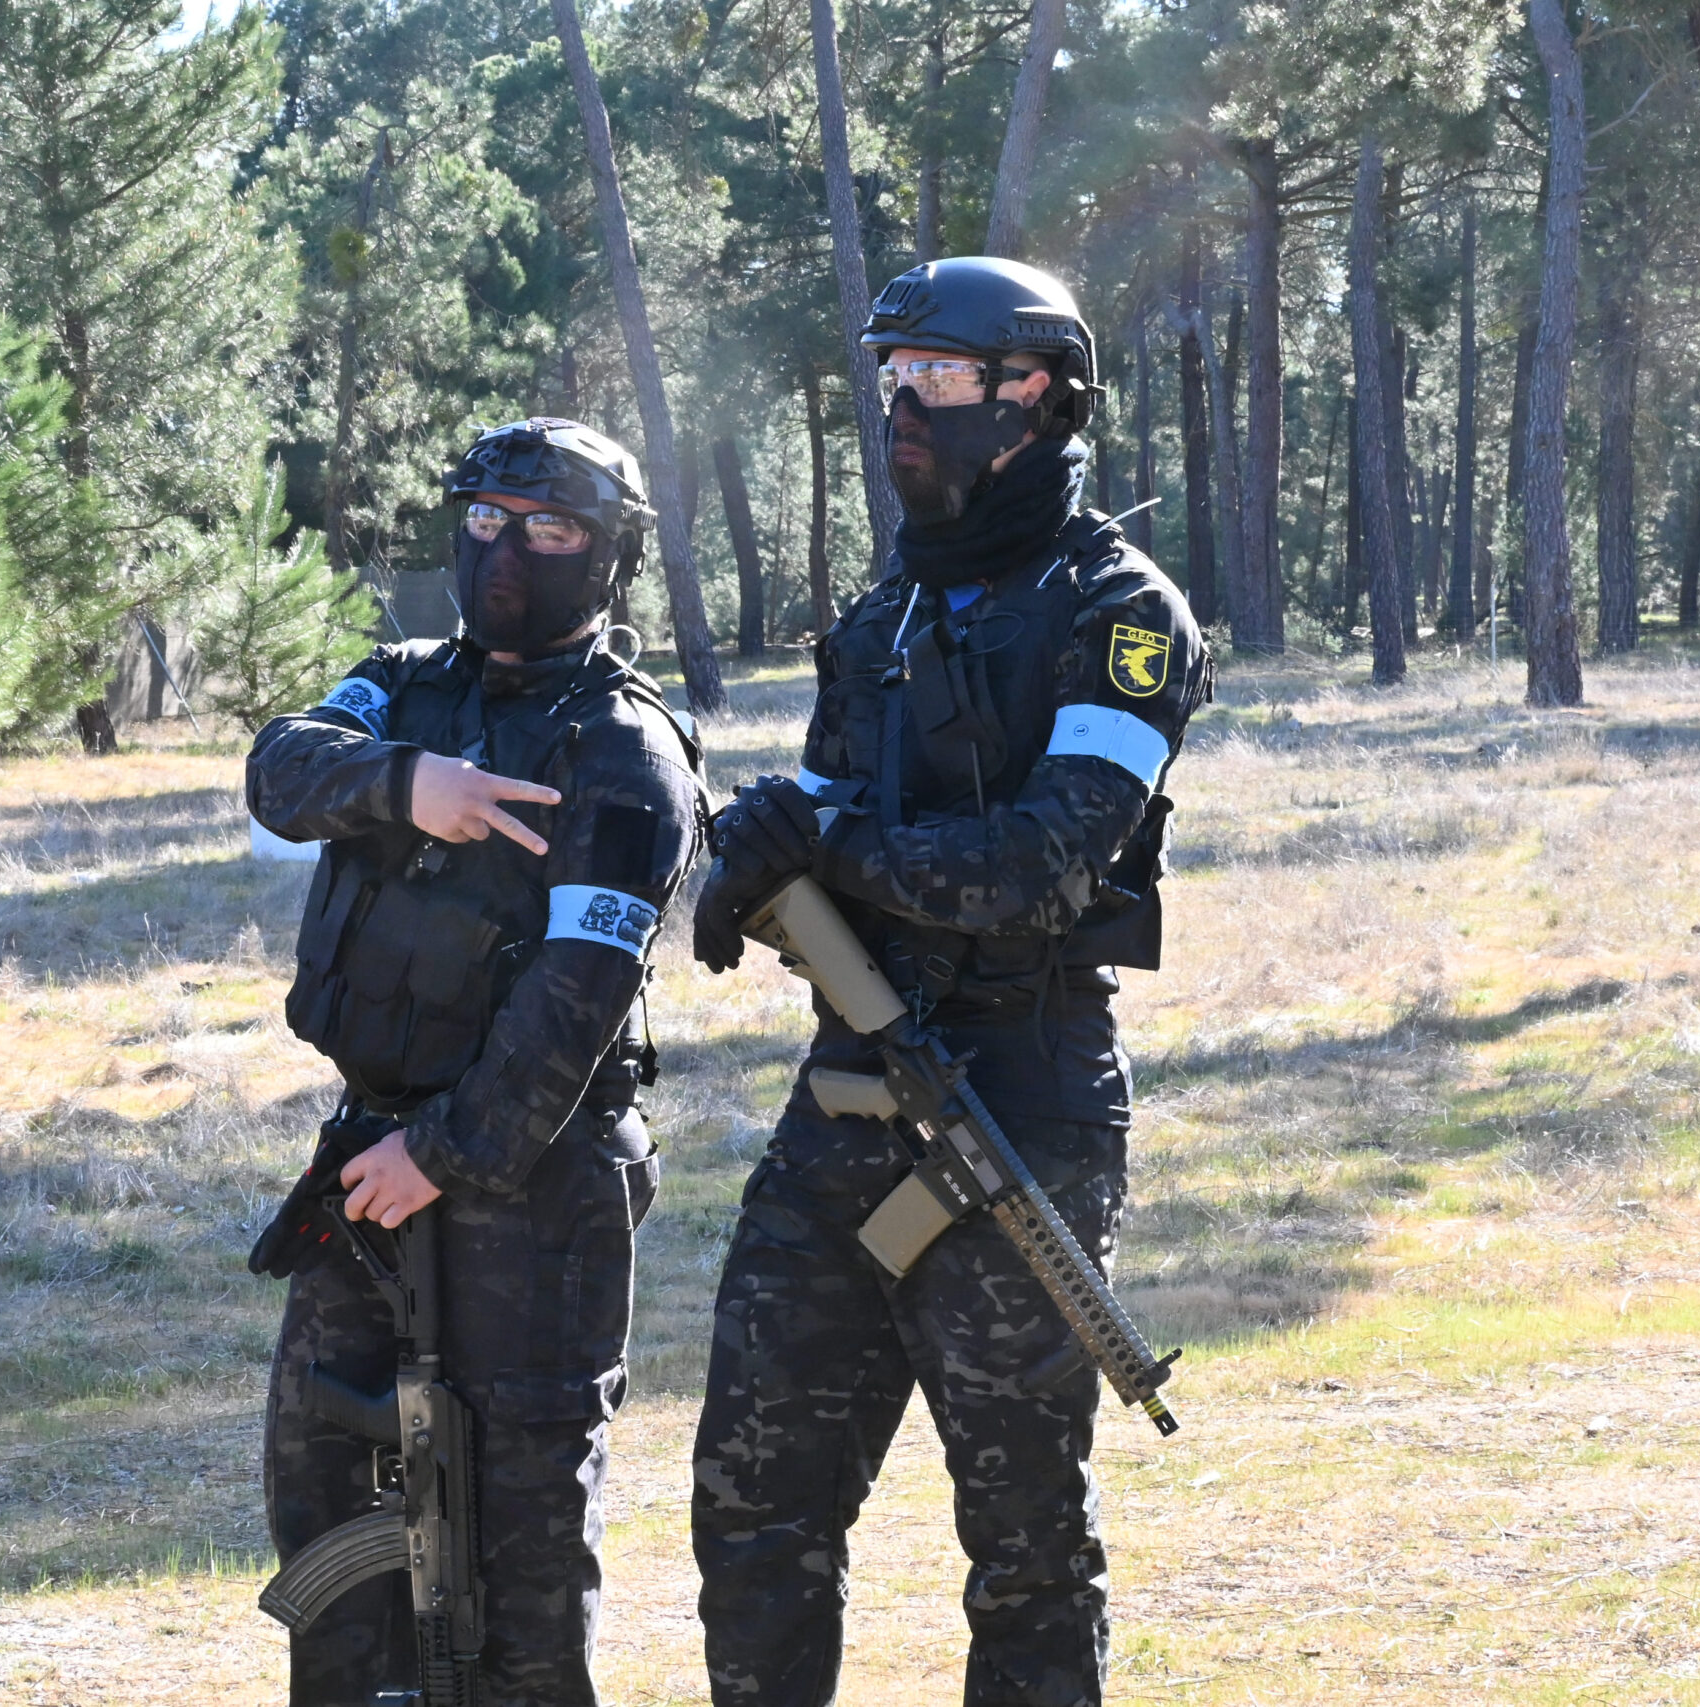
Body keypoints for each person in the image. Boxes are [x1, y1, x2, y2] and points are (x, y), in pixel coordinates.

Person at [687, 257, 1214, 1707]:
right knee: (751, 1500)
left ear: (1034, 395)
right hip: (846, 1100)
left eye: (935, 377)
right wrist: (749, 857)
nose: (901, 408)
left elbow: (1038, 870)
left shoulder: (1121, 613)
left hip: (1017, 1102)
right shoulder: (886, 616)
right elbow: (819, 812)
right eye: (892, 379)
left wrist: (831, 842)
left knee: (1025, 1541)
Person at [245, 418, 707, 1704]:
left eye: (549, 530)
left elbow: (576, 1001)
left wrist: (441, 1156)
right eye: (487, 522)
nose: (507, 553)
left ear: (605, 557)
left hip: (530, 1186)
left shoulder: (621, 748)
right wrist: (409, 785)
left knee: (518, 1554)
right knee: (328, 1503)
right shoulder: (401, 685)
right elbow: (279, 769)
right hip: (367, 1156)